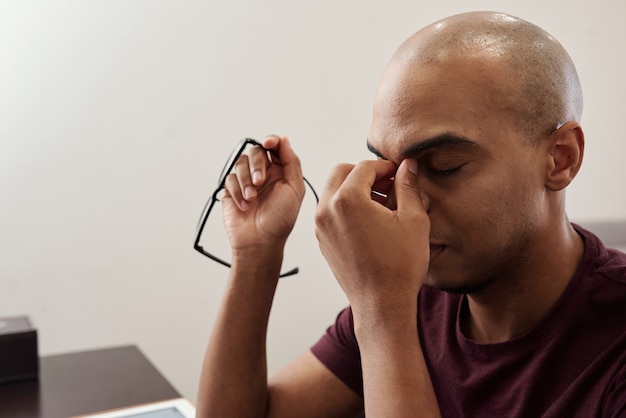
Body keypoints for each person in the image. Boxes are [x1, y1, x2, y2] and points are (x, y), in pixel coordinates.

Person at [196, 11, 626, 417]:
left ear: (561, 159)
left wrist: (381, 310)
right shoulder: (415, 293)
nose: (405, 204)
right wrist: (256, 254)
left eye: (444, 167)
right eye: (390, 168)